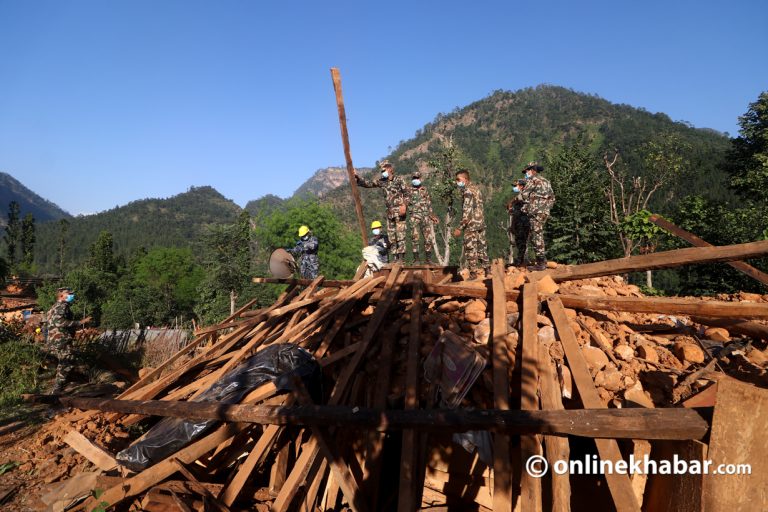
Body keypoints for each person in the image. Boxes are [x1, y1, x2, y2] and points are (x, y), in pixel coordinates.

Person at [354, 160, 408, 262]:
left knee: (400, 235)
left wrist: (405, 205)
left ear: (390, 169)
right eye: (382, 170)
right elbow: (368, 183)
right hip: (390, 213)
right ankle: (395, 257)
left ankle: (402, 258)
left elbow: (407, 193)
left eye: (384, 169)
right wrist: (358, 178)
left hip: (400, 212)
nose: (383, 172)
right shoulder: (382, 181)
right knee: (392, 236)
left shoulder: (399, 180)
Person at [45, 287, 91, 394]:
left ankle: (62, 385)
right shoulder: (62, 306)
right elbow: (59, 322)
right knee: (67, 361)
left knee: (63, 361)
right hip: (61, 339)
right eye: (69, 294)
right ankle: (58, 388)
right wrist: (79, 322)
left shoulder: (53, 307)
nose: (72, 296)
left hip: (54, 339)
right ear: (61, 295)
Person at [452, 169, 489, 279]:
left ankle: (473, 273)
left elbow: (467, 211)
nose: (457, 182)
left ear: (465, 179)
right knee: (482, 246)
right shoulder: (476, 189)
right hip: (480, 223)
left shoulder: (467, 191)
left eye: (458, 179)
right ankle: (487, 270)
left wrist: (460, 227)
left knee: (470, 248)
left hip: (471, 224)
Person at [519, 161, 555, 270]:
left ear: (533, 170)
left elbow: (523, 195)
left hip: (535, 212)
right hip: (544, 212)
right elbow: (552, 197)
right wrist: (546, 208)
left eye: (527, 171)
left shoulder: (533, 180)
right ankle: (542, 260)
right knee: (538, 233)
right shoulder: (546, 181)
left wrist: (523, 204)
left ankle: (540, 262)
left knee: (536, 235)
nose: (526, 173)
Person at [408, 171, 439, 264]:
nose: (415, 180)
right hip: (414, 217)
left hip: (425, 217)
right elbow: (405, 203)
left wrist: (432, 216)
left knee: (428, 238)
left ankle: (428, 259)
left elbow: (429, 204)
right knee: (415, 237)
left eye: (417, 178)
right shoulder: (409, 191)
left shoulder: (424, 190)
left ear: (420, 179)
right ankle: (416, 259)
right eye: (414, 178)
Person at [506, 179, 531, 267]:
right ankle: (520, 260)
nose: (514, 188)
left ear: (521, 186)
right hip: (518, 222)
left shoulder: (525, 195)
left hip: (523, 222)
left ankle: (521, 261)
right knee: (519, 242)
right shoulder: (520, 196)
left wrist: (512, 202)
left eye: (515, 186)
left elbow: (517, 203)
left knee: (521, 241)